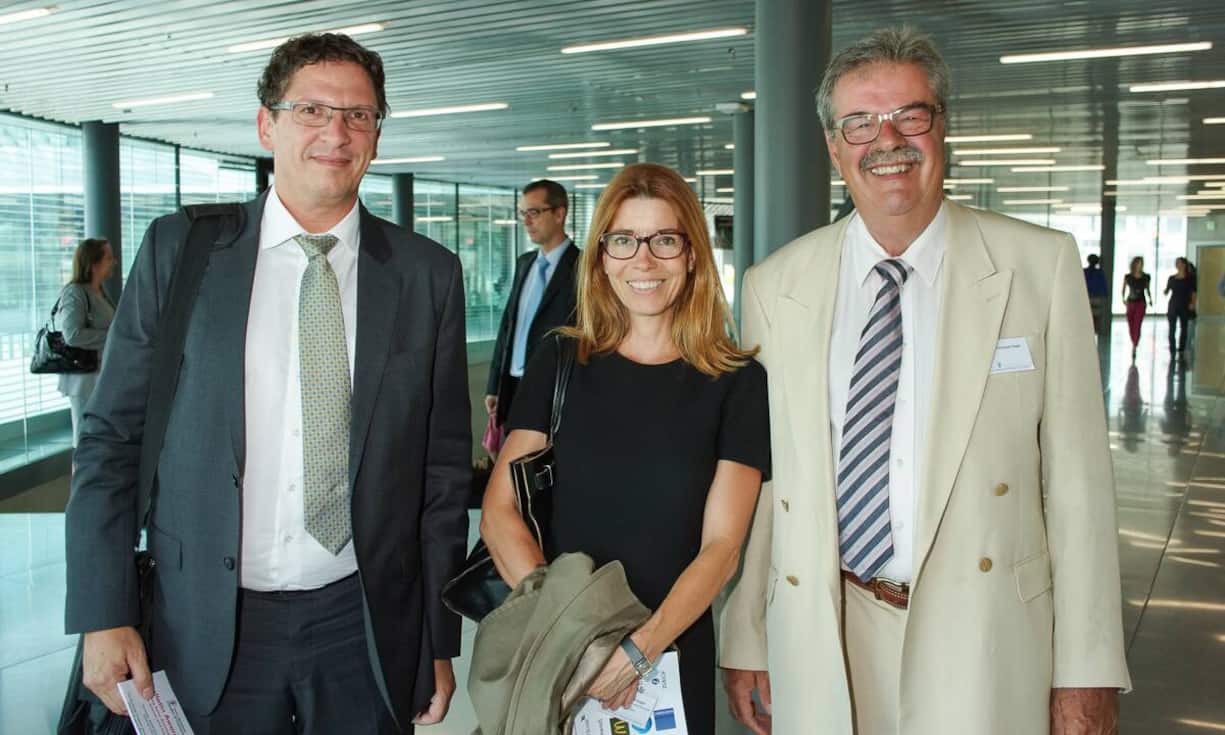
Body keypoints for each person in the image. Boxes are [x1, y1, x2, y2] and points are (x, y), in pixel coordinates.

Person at [719, 27, 1130, 735]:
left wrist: (1086, 667)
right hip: (826, 627)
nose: (887, 140)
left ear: (942, 128)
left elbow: (1078, 483)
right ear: (832, 145)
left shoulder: (1037, 265)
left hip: (983, 628)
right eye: (859, 122)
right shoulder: (773, 284)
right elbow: (767, 479)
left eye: (910, 115)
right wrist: (747, 632)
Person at [64, 33, 471, 733]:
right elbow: (111, 439)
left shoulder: (425, 275)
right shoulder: (182, 250)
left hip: (362, 624)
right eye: (311, 110)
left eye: (358, 115)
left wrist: (436, 637)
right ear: (267, 124)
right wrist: (104, 613)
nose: (336, 133)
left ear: (376, 134)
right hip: (203, 622)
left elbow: (440, 478)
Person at [479, 162, 770, 733]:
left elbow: (721, 548)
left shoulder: (736, 382)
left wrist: (638, 650)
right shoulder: (560, 361)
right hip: (558, 655)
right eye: (623, 240)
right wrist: (575, 641)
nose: (643, 260)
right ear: (602, 256)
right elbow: (500, 511)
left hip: (669, 653)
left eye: (664, 239)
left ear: (692, 255)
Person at [484, 179, 580, 432]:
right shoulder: (525, 263)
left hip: (555, 388)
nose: (526, 221)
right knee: (513, 465)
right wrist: (495, 385)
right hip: (513, 387)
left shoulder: (583, 268)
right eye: (523, 213)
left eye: (534, 212)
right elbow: (508, 327)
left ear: (560, 213)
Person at [57, 238, 117, 446]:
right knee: (84, 440)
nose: (114, 262)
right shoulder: (75, 292)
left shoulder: (99, 291)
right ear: (93, 263)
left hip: (99, 376)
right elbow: (72, 335)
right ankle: (81, 479)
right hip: (84, 380)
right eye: (108, 257)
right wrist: (112, 336)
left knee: (98, 438)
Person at [1165, 256, 1197, 358]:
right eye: (1176, 263)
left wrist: (1193, 303)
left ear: (1183, 265)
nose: (1177, 265)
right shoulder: (1171, 278)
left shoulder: (1190, 279)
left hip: (1184, 304)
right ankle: (1172, 348)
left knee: (1184, 327)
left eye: (1179, 263)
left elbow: (1193, 292)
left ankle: (1182, 348)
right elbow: (1167, 289)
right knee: (1172, 328)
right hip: (1173, 305)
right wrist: (1165, 291)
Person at [1122, 256, 1152, 359]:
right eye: (1138, 263)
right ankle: (1134, 341)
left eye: (1141, 263)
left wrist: (1150, 299)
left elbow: (1148, 289)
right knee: (1131, 324)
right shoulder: (1128, 277)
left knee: (1137, 324)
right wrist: (1123, 299)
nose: (1140, 265)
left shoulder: (1146, 277)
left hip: (1141, 303)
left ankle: (1134, 345)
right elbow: (1124, 289)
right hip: (1130, 302)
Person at [1083, 252, 1109, 336]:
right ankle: (1095, 330)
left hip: (1087, 296)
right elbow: (1103, 284)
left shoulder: (1084, 272)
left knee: (1087, 314)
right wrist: (1105, 295)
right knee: (1096, 315)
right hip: (1097, 297)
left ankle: (1088, 330)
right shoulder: (1099, 272)